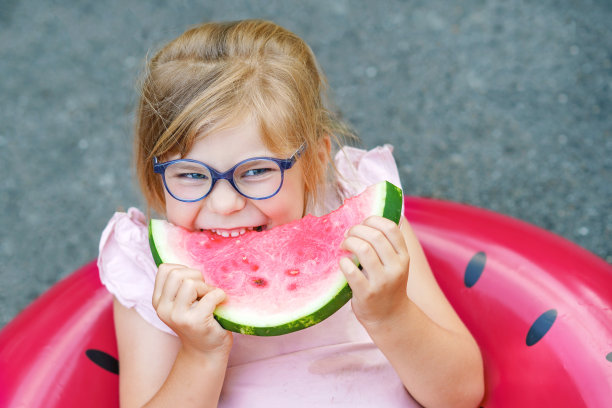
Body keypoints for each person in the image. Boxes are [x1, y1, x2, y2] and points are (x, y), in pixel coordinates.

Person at [98, 19, 484, 408]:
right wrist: (199, 354)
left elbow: (462, 395)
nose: (224, 203)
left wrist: (392, 314)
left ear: (316, 160)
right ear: (156, 173)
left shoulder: (366, 224)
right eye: (191, 175)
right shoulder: (148, 272)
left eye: (256, 171)